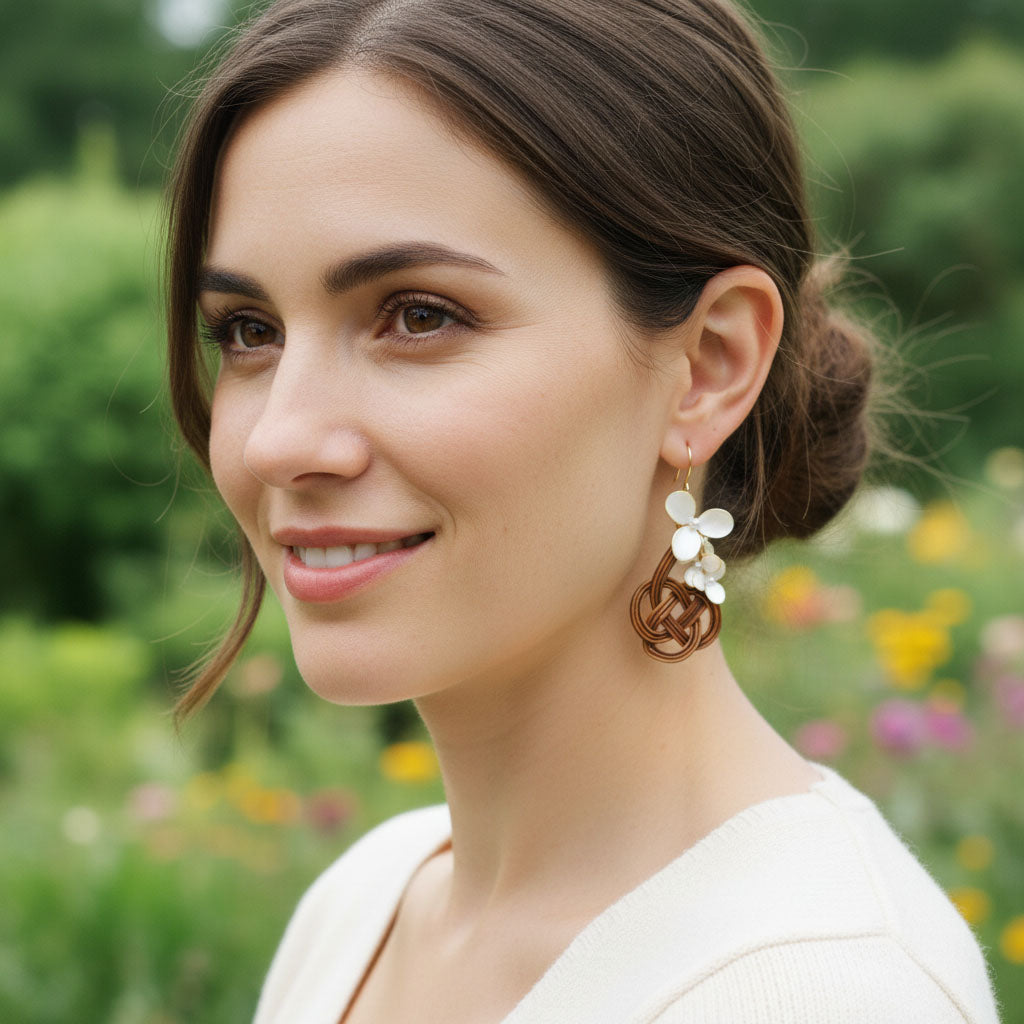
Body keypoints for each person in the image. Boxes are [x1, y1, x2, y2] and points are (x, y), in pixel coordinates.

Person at [164, 0, 1001, 1020]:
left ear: (707, 366)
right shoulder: (365, 904)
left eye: (418, 317)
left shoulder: (815, 988)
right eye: (248, 331)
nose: (277, 439)